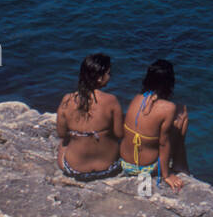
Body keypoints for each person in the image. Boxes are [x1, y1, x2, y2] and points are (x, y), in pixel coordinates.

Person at [119, 59, 188, 190]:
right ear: (169, 82)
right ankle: (180, 166)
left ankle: (180, 166)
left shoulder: (137, 98)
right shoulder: (169, 108)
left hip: (125, 163)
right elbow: (163, 143)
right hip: (147, 169)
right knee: (183, 115)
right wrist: (166, 175)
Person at [55, 53, 123, 181]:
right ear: (99, 78)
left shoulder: (67, 100)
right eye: (108, 73)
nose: (110, 76)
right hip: (109, 168)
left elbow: (61, 134)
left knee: (63, 143)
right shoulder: (111, 100)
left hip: (75, 170)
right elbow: (119, 134)